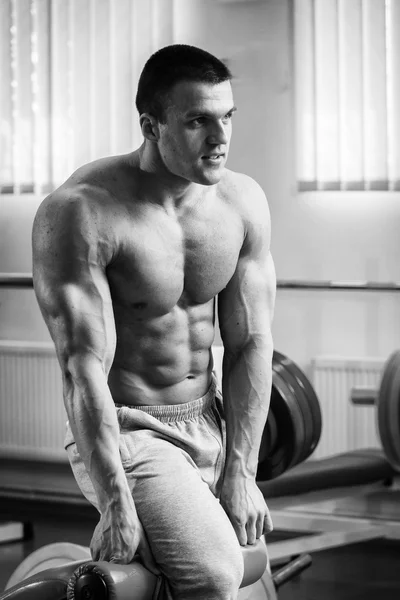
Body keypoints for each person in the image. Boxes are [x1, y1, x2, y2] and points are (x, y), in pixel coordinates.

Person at [32, 44, 276, 599]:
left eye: (227, 117)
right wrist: (115, 499)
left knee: (243, 563)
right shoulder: (82, 211)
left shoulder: (241, 203)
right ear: (151, 124)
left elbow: (251, 343)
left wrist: (241, 470)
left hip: (207, 417)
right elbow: (81, 367)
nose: (220, 138)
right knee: (215, 572)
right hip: (127, 427)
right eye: (197, 121)